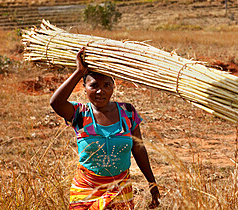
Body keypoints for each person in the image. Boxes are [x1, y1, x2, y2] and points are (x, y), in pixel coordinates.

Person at [50, 47, 160, 209]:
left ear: (113, 87)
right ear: (84, 87)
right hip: (86, 189)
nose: (100, 91)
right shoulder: (80, 113)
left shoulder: (127, 112)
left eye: (107, 85)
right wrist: (79, 71)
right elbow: (56, 103)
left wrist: (152, 183)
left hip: (120, 189)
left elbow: (138, 149)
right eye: (93, 85)